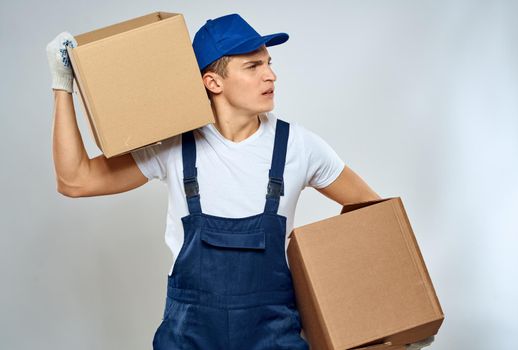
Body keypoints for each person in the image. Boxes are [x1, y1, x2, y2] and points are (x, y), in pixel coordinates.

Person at [46, 12, 433, 350]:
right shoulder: (173, 148)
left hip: (274, 337)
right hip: (188, 337)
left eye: (268, 62)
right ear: (213, 82)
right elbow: (74, 180)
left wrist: (386, 315)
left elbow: (372, 216)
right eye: (253, 66)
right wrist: (63, 86)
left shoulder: (299, 145)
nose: (271, 75)